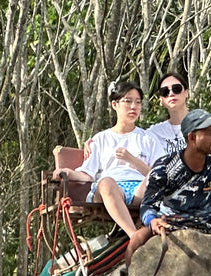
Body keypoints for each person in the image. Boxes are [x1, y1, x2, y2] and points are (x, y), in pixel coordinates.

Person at [127, 109, 211, 256]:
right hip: (168, 225)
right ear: (192, 137)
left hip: (208, 228)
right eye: (210, 133)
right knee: (136, 241)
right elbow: (148, 205)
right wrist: (153, 221)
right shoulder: (163, 167)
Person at [58, 80, 158, 238]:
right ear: (114, 104)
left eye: (138, 102)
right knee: (106, 182)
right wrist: (68, 173)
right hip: (111, 189)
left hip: (139, 190)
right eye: (128, 101)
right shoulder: (101, 139)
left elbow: (158, 174)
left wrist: (133, 160)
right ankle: (134, 236)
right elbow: (87, 174)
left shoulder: (148, 138)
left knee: (158, 177)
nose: (133, 107)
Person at [146, 71, 190, 160]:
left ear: (186, 93)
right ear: (161, 100)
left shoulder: (201, 124)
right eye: (165, 91)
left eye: (176, 89)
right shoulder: (153, 133)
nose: (171, 94)